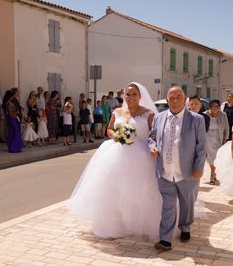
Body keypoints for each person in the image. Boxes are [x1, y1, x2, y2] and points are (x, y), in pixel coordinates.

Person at [69, 82, 161, 239]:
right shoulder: (117, 112)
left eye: (134, 94)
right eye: (128, 94)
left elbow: (154, 134)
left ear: (140, 96)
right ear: (124, 96)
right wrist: (117, 135)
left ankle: (136, 221)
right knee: (113, 187)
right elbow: (109, 129)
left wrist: (153, 148)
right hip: (115, 152)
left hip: (140, 156)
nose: (131, 97)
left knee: (137, 188)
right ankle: (115, 221)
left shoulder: (148, 114)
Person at [149, 86, 207, 251]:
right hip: (165, 172)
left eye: (178, 97)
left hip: (187, 172)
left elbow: (201, 146)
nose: (174, 101)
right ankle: (165, 239)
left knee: (187, 203)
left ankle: (186, 227)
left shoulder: (197, 119)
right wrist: (152, 146)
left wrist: (199, 167)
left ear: (185, 99)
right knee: (168, 205)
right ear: (167, 100)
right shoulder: (159, 118)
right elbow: (152, 136)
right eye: (171, 98)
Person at [203, 99, 230, 185]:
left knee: (215, 157)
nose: (214, 109)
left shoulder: (223, 115)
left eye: (217, 107)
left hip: (218, 138)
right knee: (210, 157)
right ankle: (212, 174)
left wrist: (225, 139)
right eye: (212, 107)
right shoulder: (204, 115)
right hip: (207, 139)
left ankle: (213, 174)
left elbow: (226, 128)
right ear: (209, 108)